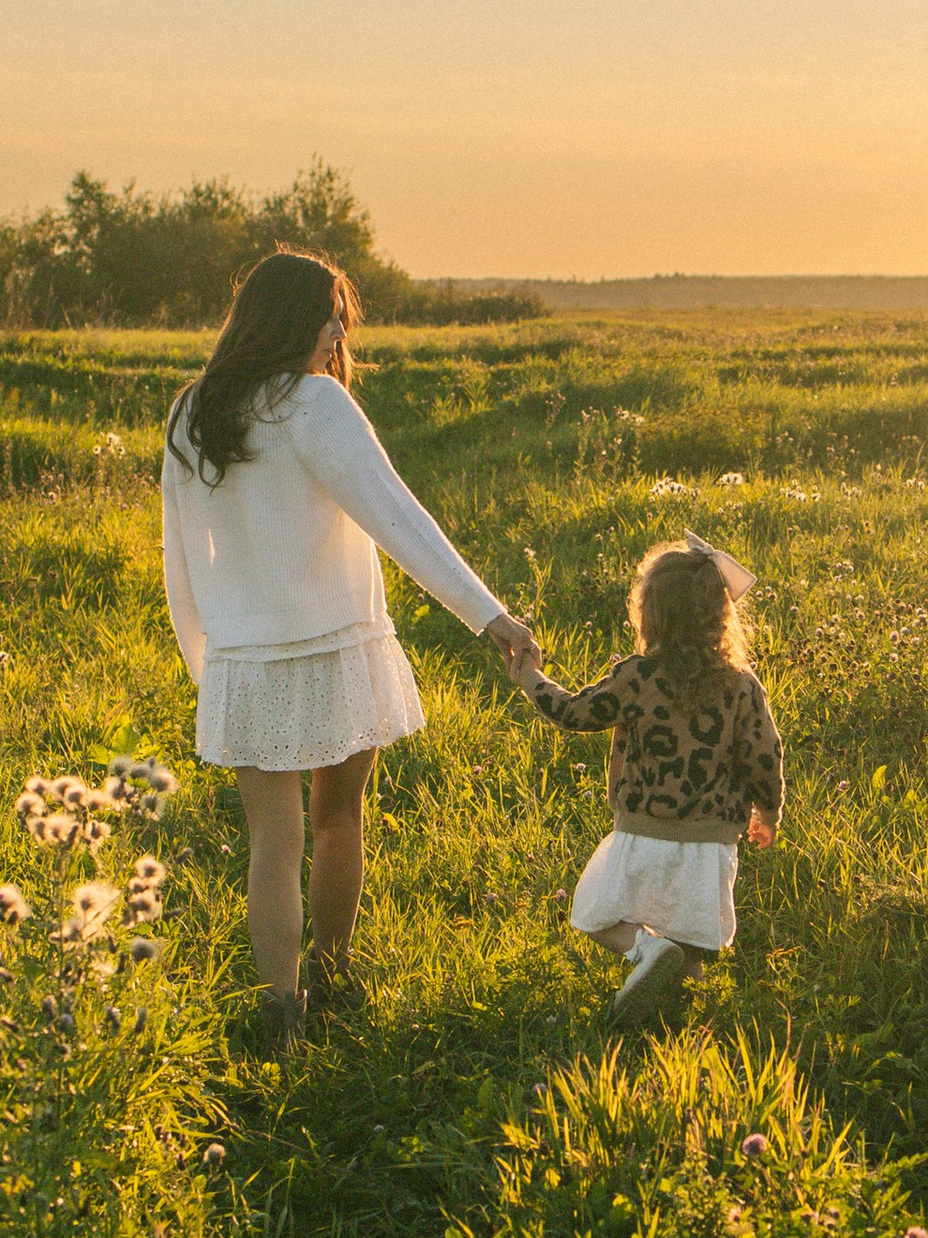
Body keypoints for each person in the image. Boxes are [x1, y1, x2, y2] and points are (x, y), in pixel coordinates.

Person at [161, 247, 541, 1032]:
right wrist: (489, 614)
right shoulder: (315, 403)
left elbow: (181, 560)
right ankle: (331, 979)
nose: (339, 331)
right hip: (334, 644)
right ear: (291, 321)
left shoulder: (193, 411)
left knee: (272, 844)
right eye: (330, 315)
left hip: (244, 658)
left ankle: (281, 1009)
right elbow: (397, 517)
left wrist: (208, 661)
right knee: (338, 818)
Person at [513, 534, 782, 1024]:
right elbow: (764, 754)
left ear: (650, 614)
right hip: (712, 841)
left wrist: (530, 677)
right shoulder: (742, 686)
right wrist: (770, 812)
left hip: (643, 828)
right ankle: (689, 1025)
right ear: (720, 615)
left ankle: (645, 950)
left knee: (594, 913)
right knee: (692, 946)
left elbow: (574, 712)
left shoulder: (636, 676)